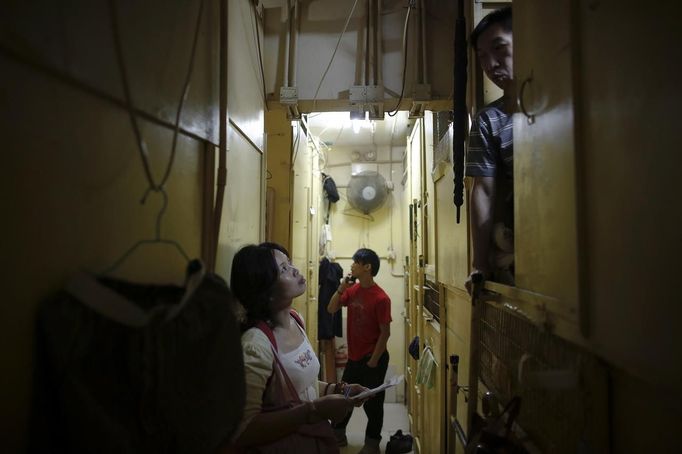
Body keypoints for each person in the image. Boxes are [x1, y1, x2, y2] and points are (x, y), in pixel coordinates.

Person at [230, 243, 366, 452]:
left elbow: (301, 387)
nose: (295, 270)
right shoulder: (256, 345)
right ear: (264, 288)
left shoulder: (296, 320)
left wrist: (339, 390)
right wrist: (314, 411)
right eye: (284, 269)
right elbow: (243, 430)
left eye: (290, 264)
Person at [466, 6, 516, 292]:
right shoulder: (490, 120)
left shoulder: (562, 106)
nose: (490, 64)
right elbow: (483, 190)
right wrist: (480, 264)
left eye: (499, 49)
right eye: (483, 57)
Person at [327, 248, 392, 454]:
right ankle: (338, 435)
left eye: (356, 262)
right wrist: (341, 288)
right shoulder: (352, 291)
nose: (352, 265)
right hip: (354, 358)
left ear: (367, 267)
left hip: (374, 358)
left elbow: (385, 333)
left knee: (373, 404)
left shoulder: (381, 298)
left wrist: (373, 361)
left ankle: (372, 443)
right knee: (345, 396)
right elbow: (331, 309)